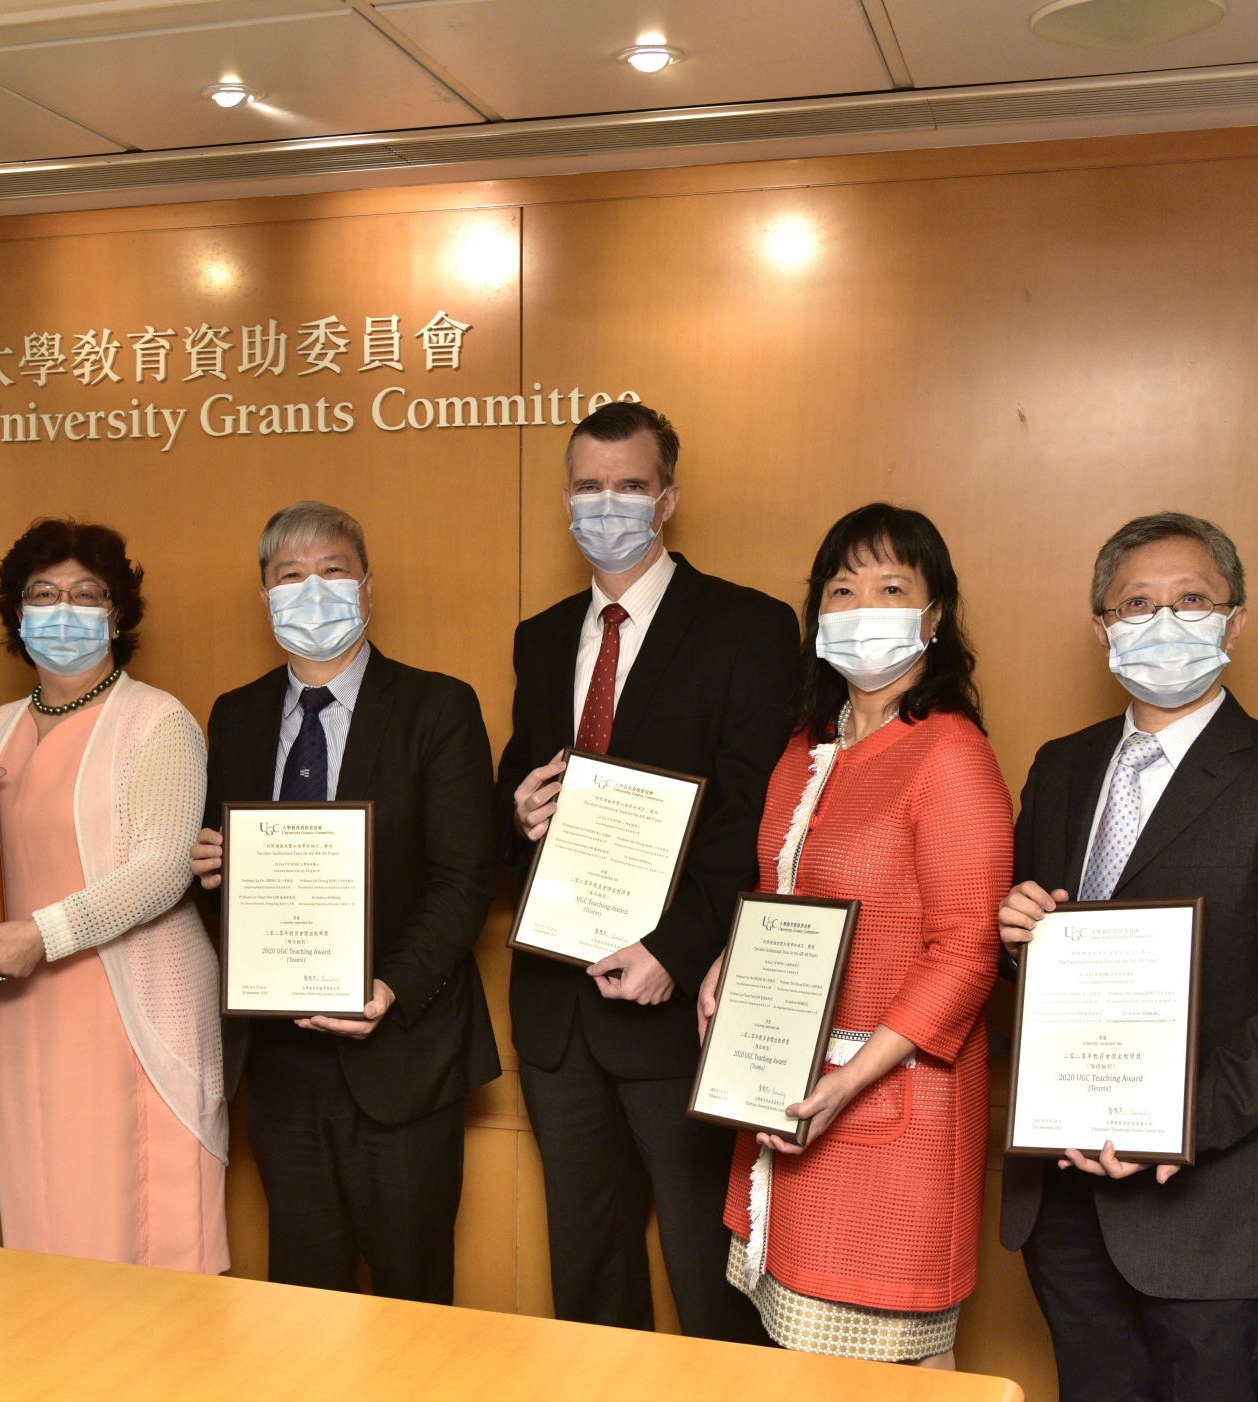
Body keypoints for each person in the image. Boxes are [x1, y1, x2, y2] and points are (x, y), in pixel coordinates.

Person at [998, 512, 1258, 1402]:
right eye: (1137, 604)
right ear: (1103, 628)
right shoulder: (1060, 767)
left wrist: (1181, 1126)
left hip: (1208, 1205)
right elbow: (1037, 960)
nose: (1164, 623)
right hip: (1063, 1197)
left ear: (1234, 621)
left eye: (1191, 600)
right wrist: (1015, 936)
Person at [496, 401, 796, 1342]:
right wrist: (518, 808)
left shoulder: (748, 627)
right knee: (587, 1283)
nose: (608, 505)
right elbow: (522, 778)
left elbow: (755, 818)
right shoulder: (541, 636)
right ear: (565, 500)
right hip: (556, 1013)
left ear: (669, 498)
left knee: (710, 1290)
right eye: (589, 487)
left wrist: (676, 948)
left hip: (676, 1012)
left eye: (630, 486)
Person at [699, 503, 1012, 1367]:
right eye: (843, 588)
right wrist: (730, 960)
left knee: (888, 1374)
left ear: (934, 615)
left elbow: (966, 953)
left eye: (891, 586)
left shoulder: (950, 754)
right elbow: (782, 892)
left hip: (887, 1115)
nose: (863, 606)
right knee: (794, 1366)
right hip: (789, 1099)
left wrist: (844, 1083)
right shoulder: (806, 746)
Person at [189, 501, 498, 1303]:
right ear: (264, 596)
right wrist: (213, 869)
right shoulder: (236, 715)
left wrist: (388, 986)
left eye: (331, 571)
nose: (312, 591)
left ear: (368, 583)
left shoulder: (438, 707)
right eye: (290, 577)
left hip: (400, 1056)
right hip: (282, 1062)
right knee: (300, 1295)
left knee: (411, 1294)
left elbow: (464, 878)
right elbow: (223, 879)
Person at [0, 518, 227, 1271]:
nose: (64, 610)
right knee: (44, 1216)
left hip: (130, 1005)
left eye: (86, 594)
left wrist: (44, 934)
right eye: (44, 594)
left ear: (118, 612)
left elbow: (162, 870)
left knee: (131, 1230)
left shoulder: (158, 721)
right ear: (17, 613)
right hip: (24, 1005)